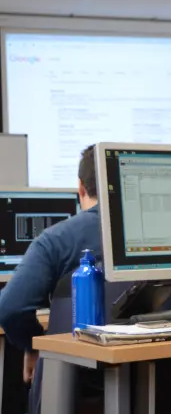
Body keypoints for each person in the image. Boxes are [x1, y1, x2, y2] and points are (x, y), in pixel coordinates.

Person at [0, 146, 101, 384]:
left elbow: (10, 308)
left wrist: (35, 344)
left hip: (69, 384)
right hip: (148, 381)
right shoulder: (147, 242)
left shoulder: (55, 239)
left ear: (81, 187)